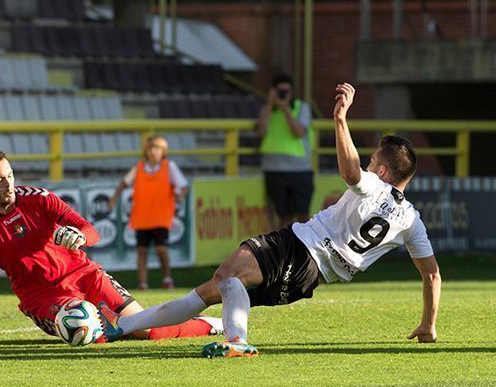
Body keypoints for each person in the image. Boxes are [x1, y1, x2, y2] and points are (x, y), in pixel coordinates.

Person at [95, 83, 442, 358]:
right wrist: (428, 323)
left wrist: (340, 120)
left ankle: (236, 341)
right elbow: (432, 274)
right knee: (218, 286)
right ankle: (121, 329)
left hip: (300, 247)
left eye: (372, 161)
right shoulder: (412, 220)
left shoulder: (375, 187)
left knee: (226, 277)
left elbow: (352, 173)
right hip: (311, 278)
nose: (368, 165)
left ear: (382, 171)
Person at [0, 147, 221, 343]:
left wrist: (80, 237)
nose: (8, 184)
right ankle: (103, 330)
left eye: (10, 175)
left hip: (85, 274)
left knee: (145, 330)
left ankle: (204, 325)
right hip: (44, 298)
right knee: (83, 328)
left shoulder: (40, 198)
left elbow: (90, 231)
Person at [108, 135, 188, 290]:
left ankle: (167, 278)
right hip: (142, 217)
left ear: (163, 151)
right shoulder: (139, 167)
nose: (153, 152)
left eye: (157, 148)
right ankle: (143, 283)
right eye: (151, 148)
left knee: (161, 249)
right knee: (141, 251)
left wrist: (179, 195)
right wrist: (114, 198)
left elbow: (183, 185)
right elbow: (124, 183)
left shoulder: (169, 166)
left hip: (160, 216)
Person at [257, 73, 314, 228]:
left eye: (286, 91)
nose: (283, 95)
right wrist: (270, 104)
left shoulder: (302, 108)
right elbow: (261, 131)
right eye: (279, 91)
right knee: (282, 216)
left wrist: (285, 109)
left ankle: (304, 249)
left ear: (292, 92)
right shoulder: (267, 109)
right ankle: (283, 250)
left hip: (299, 169)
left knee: (303, 215)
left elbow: (299, 132)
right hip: (273, 169)